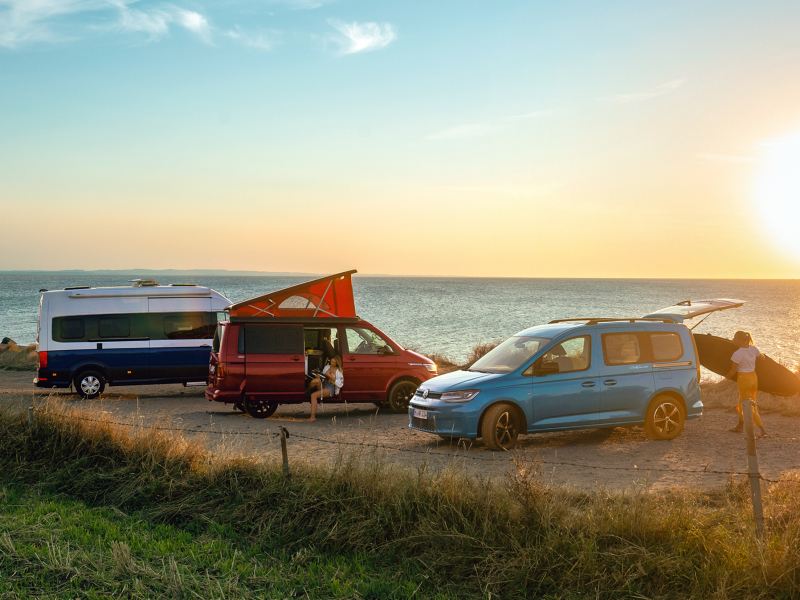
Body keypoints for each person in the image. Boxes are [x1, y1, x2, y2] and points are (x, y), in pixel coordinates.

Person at [727, 330, 767, 437]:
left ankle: (762, 429)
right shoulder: (753, 349)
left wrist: (727, 377)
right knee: (746, 402)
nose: (733, 340)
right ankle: (740, 426)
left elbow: (733, 370)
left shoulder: (737, 354)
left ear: (740, 340)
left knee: (748, 405)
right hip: (753, 378)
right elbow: (762, 357)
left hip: (744, 379)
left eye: (735, 338)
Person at [308, 356, 343, 422]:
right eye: (331, 361)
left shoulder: (339, 371)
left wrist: (333, 380)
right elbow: (323, 375)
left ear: (337, 363)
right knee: (316, 380)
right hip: (323, 384)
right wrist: (318, 375)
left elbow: (340, 384)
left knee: (313, 395)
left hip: (330, 388)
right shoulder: (327, 366)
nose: (331, 363)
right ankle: (307, 392)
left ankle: (312, 417)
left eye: (333, 362)